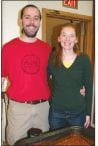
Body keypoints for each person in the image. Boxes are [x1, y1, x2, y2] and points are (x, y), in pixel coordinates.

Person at [1, 4, 51, 145]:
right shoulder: (8, 48)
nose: (31, 22)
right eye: (27, 17)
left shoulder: (46, 49)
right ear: (21, 20)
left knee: (43, 142)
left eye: (36, 18)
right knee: (15, 142)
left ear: (40, 22)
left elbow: (56, 75)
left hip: (43, 107)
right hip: (18, 109)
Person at [47, 23, 93, 130]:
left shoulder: (84, 59)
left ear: (76, 39)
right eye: (64, 35)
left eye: (71, 36)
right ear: (59, 38)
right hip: (56, 112)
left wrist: (88, 113)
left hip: (78, 113)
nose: (67, 39)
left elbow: (89, 87)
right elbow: (45, 79)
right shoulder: (52, 57)